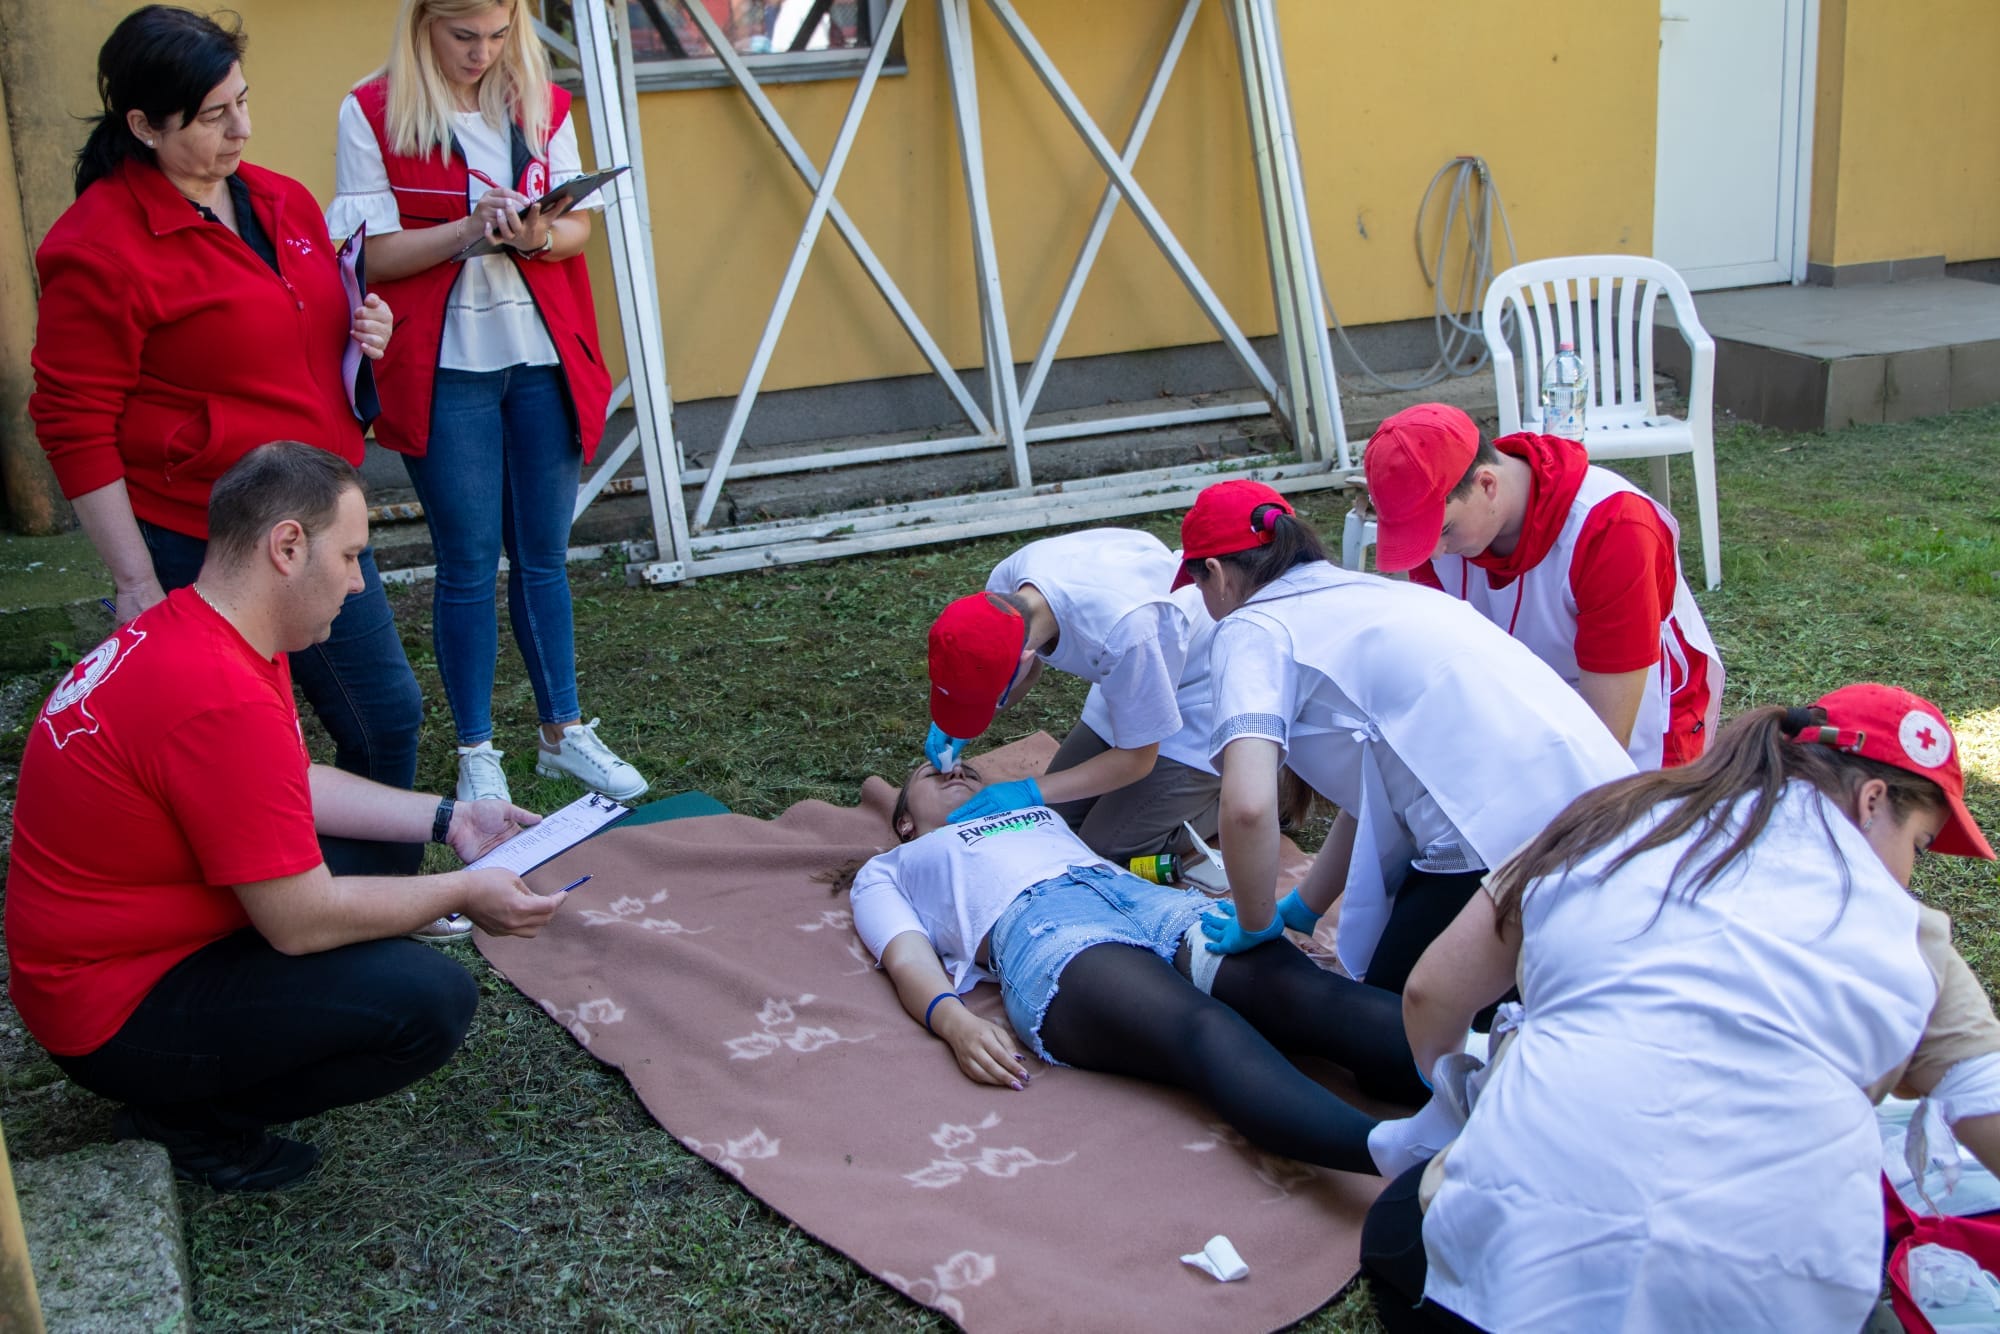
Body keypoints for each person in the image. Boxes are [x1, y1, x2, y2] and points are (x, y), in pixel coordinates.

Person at [5, 444, 565, 1193]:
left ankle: (194, 1089)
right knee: (429, 1004)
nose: (361, 581)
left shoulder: (204, 626)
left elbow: (288, 784)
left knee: (377, 852)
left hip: (123, 952)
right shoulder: (215, 692)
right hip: (113, 1012)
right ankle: (185, 1119)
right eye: (352, 556)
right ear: (288, 546)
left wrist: (451, 819)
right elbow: (298, 921)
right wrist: (461, 892)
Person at [1362, 685, 2000, 1333]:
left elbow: (1430, 994)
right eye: (1918, 847)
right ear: (1871, 802)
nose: (1909, 877)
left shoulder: (1611, 819)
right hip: (1754, 1307)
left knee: (1400, 1219)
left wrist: (1458, 1103)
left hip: (1493, 1296)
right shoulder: (1906, 936)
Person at [29, 5, 427, 886]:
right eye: (213, 117)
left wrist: (364, 333)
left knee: (385, 713)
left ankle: (376, 891)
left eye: (242, 102)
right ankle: (280, 899)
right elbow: (71, 419)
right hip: (202, 533)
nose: (240, 129)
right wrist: (136, 580)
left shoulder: (277, 196)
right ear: (142, 125)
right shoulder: (97, 246)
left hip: (315, 516)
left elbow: (295, 325)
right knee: (244, 742)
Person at [838, 761, 1453, 1178]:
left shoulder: (1031, 810)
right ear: (904, 823)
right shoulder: (893, 867)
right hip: (1048, 933)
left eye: (967, 765)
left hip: (1148, 903)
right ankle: (1396, 1156)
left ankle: (1487, 1071)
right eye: (931, 772)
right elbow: (906, 954)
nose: (956, 769)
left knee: (1305, 995)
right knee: (1203, 1028)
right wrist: (955, 1022)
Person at [330, 0, 644, 807]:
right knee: (467, 563)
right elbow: (369, 257)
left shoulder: (539, 101)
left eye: (501, 34)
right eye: (464, 35)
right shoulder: (371, 109)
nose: (483, 52)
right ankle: (477, 751)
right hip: (447, 364)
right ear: (423, 24)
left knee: (544, 556)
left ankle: (563, 733)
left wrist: (535, 234)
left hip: (542, 355)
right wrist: (471, 230)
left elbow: (579, 230)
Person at [1175, 480, 1634, 991]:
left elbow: (1247, 807)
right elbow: (1378, 791)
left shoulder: (1252, 628)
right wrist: (1304, 907)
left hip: (1496, 840)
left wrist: (1256, 923)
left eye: (1196, 586)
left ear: (1214, 574)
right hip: (1607, 806)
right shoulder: (1373, 594)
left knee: (1400, 1033)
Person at [1363, 402, 1721, 770]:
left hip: (1643, 739)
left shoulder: (1612, 526)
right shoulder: (1447, 517)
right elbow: (1436, 676)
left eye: (1443, 530)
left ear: (1487, 484)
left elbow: (1609, 736)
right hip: (1519, 718)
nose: (1434, 554)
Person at [923, 528, 1219, 862]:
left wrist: (1030, 789)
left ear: (1025, 655)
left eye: (992, 698)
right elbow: (1021, 669)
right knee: (1056, 817)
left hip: (1205, 687)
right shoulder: (1005, 589)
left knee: (1109, 845)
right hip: (1136, 671)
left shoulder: (1125, 631)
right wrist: (961, 718)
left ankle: (1252, 791)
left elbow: (1137, 759)